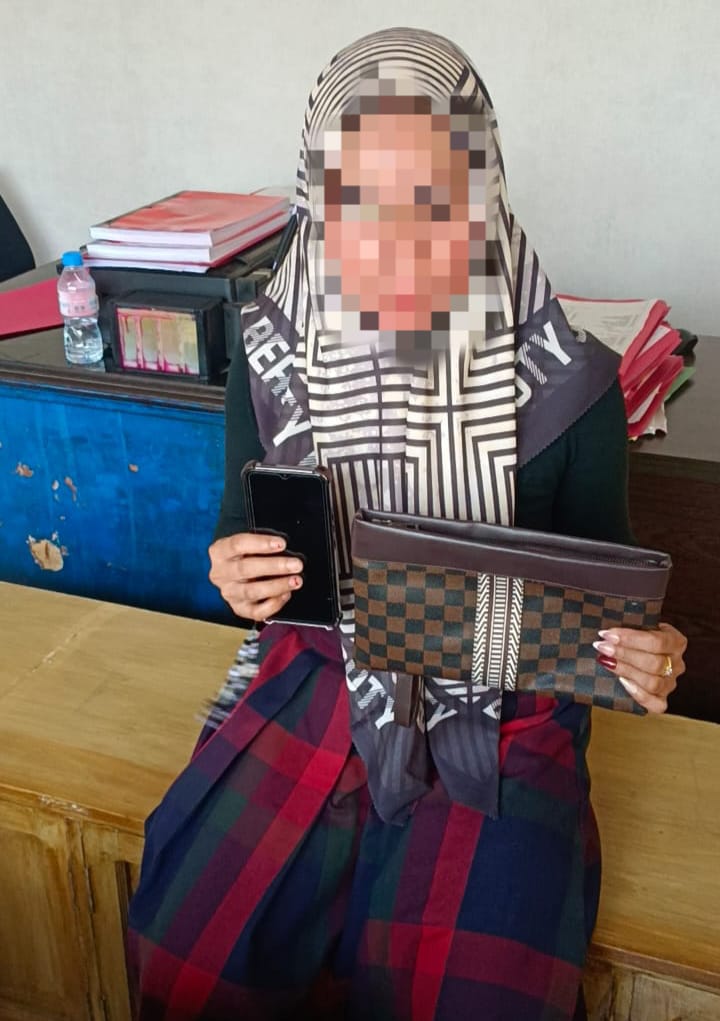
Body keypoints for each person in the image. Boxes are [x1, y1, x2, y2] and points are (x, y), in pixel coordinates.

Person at [127, 27, 687, 1020]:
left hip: (504, 708)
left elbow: (610, 610)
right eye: (360, 198)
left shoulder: (570, 385)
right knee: (193, 956)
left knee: (466, 993)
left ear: (485, 189)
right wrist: (234, 574)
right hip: (319, 676)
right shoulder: (273, 356)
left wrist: (645, 654)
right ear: (317, 199)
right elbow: (237, 534)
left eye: (436, 194)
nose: (397, 236)